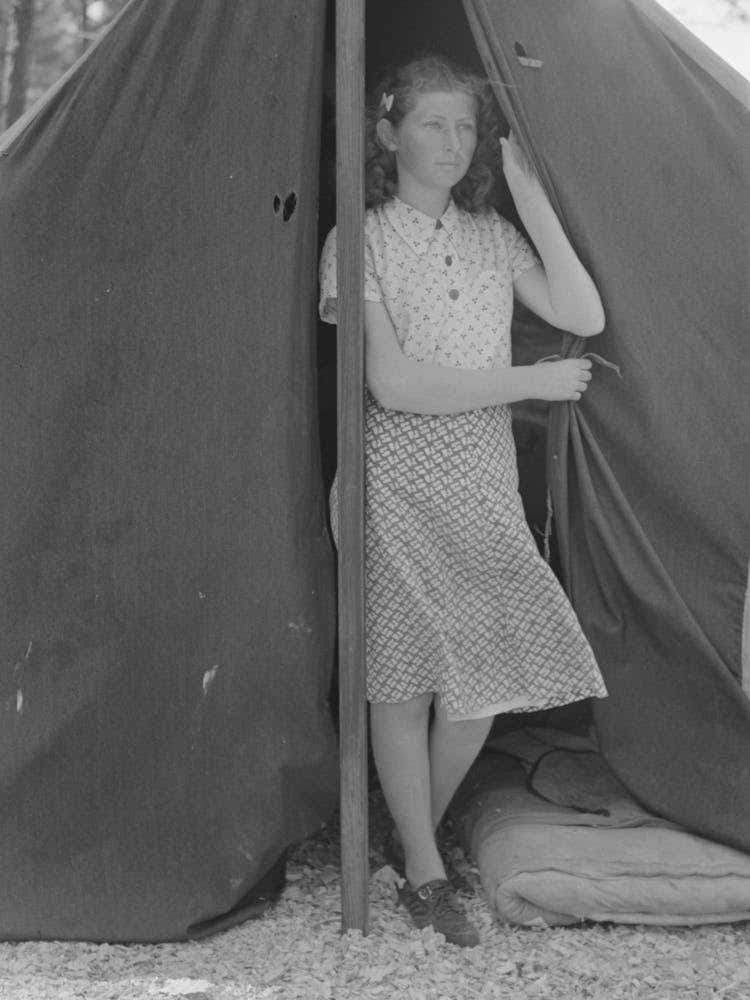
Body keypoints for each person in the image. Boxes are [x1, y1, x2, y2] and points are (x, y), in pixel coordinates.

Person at [319, 55, 608, 947]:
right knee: (400, 683)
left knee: (477, 689)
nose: (452, 143)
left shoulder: (491, 236)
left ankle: (407, 848)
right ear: (388, 131)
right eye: (433, 124)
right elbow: (396, 386)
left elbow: (582, 312)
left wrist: (530, 196)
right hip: (394, 479)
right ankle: (428, 866)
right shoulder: (356, 238)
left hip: (481, 479)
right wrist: (533, 378)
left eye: (466, 128)